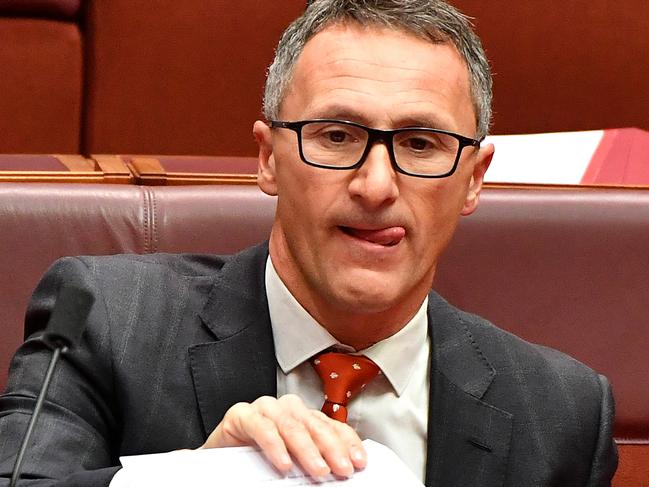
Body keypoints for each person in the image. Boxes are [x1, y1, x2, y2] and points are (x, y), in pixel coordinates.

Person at [0, 0, 617, 485]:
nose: (376, 186)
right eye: (337, 137)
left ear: (473, 180)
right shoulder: (107, 323)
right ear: (267, 159)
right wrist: (194, 483)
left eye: (421, 144)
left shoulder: (559, 414)